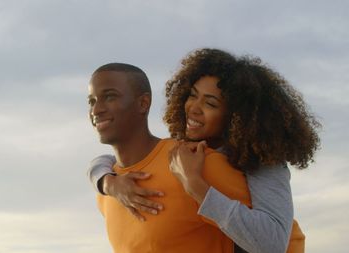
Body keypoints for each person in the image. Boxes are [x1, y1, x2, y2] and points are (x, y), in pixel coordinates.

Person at [89, 49, 319, 253]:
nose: (193, 109)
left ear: (236, 117)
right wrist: (108, 183)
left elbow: (273, 244)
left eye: (210, 104)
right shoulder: (188, 151)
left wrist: (195, 185)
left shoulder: (263, 161)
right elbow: (109, 160)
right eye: (192, 95)